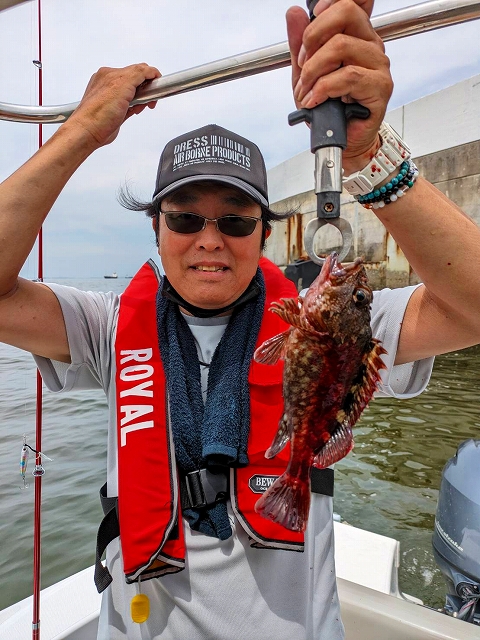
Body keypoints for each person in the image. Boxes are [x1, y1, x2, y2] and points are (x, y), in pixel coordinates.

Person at [1, 1, 480, 638]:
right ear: (156, 227)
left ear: (263, 233)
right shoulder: (107, 326)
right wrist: (82, 130)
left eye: (234, 220)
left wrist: (368, 156)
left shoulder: (342, 324)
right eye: (184, 218)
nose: (209, 239)